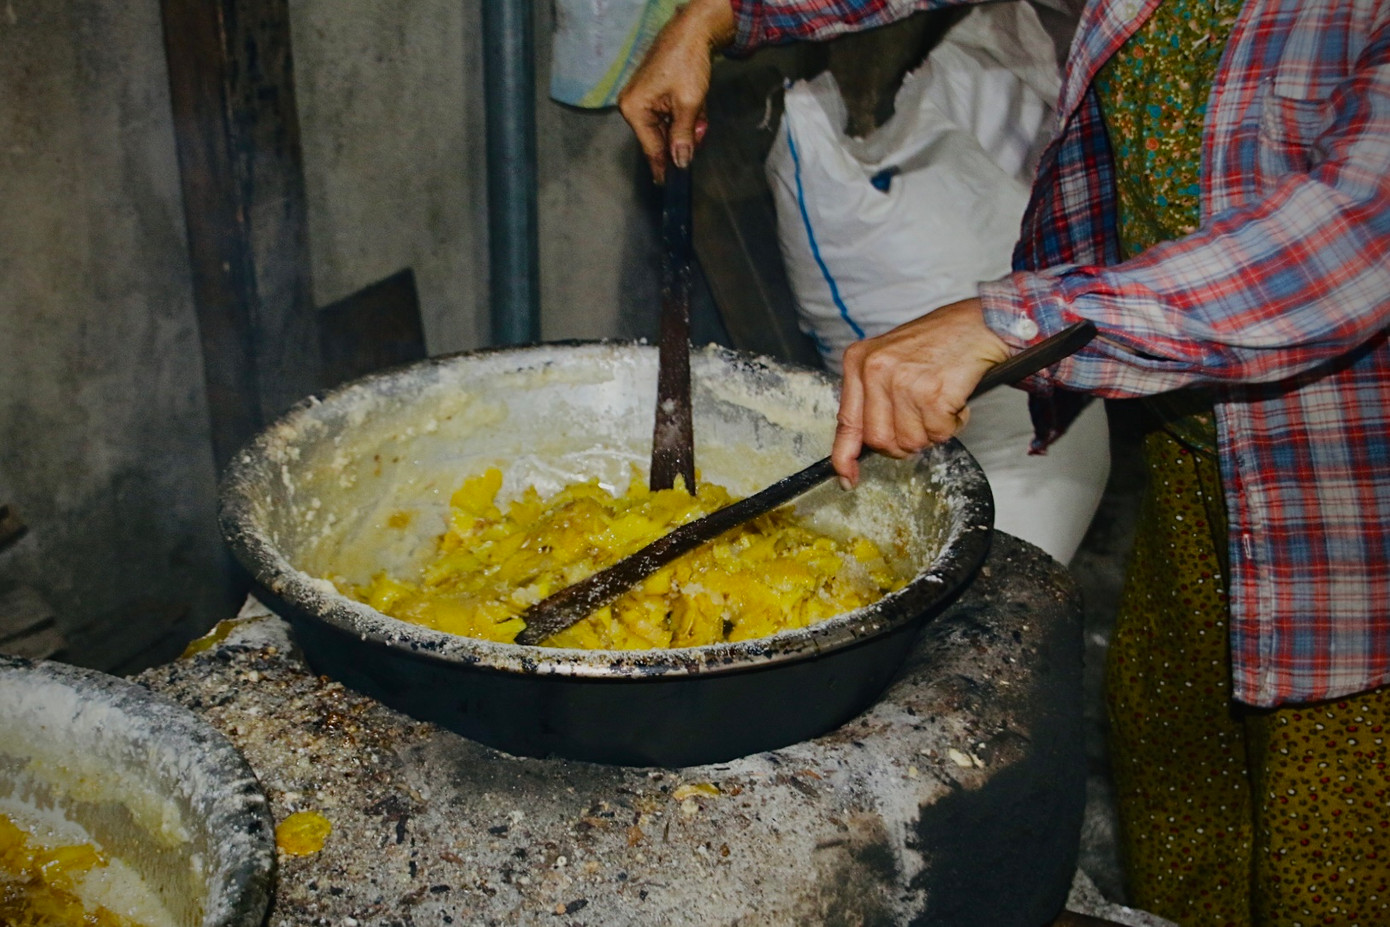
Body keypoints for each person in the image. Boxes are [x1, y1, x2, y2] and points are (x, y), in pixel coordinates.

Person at [619, 2, 1390, 926]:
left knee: (1333, 857)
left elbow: (1357, 234)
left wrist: (1004, 320)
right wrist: (721, 14)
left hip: (1356, 490)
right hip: (1204, 454)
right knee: (1180, 784)